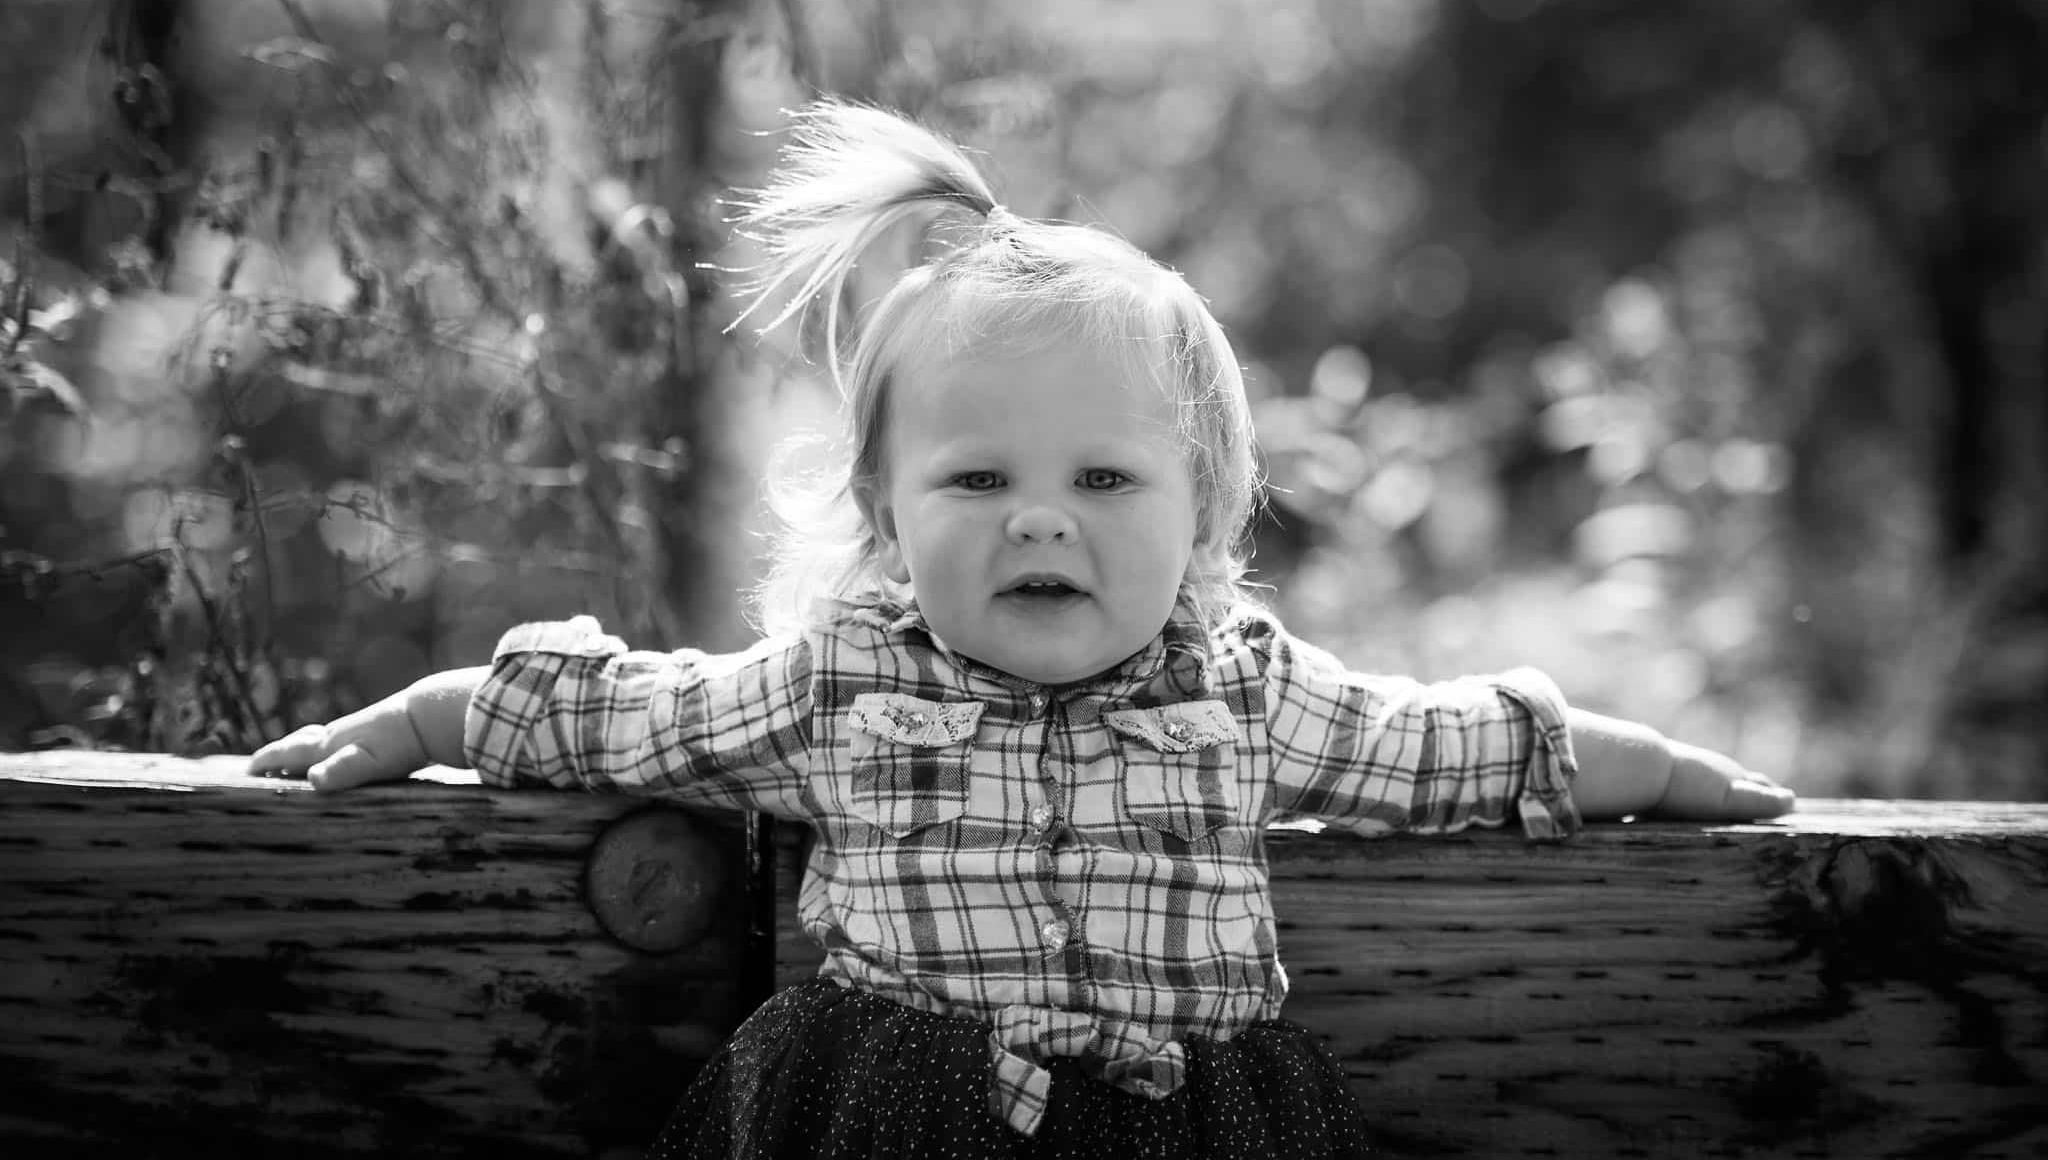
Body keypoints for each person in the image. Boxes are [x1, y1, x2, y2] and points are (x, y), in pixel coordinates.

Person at [249, 98, 1796, 1159]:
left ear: (1203, 509)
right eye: (978, 477)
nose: (1039, 519)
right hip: (888, 1117)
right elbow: (626, 714)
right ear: (884, 508)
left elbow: (1444, 748)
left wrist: (1651, 767)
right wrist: (437, 715)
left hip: (1194, 1123)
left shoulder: (1248, 696)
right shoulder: (840, 685)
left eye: (1104, 479)